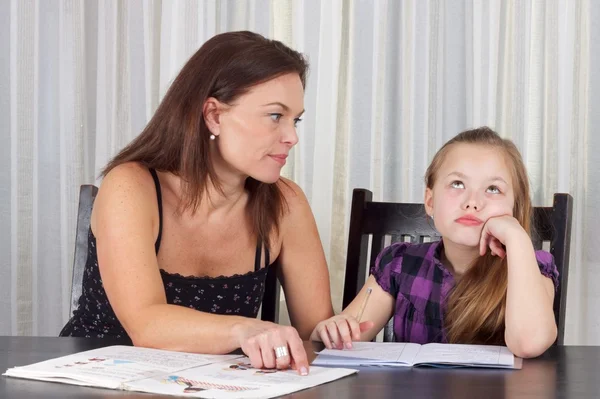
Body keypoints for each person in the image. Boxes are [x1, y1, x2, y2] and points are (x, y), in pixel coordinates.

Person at [60, 31, 334, 375]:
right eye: (276, 116)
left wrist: (343, 324)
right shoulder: (131, 186)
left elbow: (316, 336)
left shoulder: (286, 203)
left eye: (296, 120)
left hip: (216, 387)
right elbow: (146, 324)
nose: (292, 136)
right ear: (214, 116)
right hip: (97, 383)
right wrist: (245, 328)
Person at [310, 127, 559, 358]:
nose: (472, 202)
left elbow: (529, 343)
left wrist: (516, 238)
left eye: (493, 189)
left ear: (514, 207)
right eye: (457, 184)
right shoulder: (399, 264)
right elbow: (340, 343)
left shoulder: (534, 267)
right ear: (430, 201)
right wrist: (331, 331)